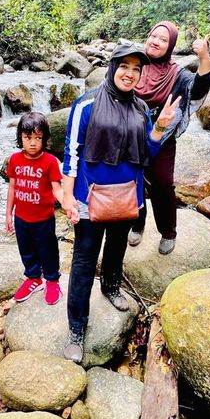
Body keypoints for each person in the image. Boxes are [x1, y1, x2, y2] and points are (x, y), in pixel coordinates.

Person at [61, 43, 181, 362]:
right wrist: (67, 196)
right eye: (124, 66)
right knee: (85, 262)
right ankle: (76, 328)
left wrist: (160, 127)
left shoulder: (141, 109)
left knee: (115, 249)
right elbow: (71, 153)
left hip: (127, 195)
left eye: (136, 68)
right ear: (112, 67)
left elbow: (147, 153)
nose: (130, 73)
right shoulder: (86, 104)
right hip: (89, 197)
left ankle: (111, 287)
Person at [129, 21, 210, 255]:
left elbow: (198, 88)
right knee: (133, 180)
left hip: (163, 137)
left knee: (162, 182)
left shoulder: (177, 74)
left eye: (163, 40)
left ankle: (168, 231)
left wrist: (204, 58)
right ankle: (137, 222)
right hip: (130, 135)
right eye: (153, 36)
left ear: (171, 46)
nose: (155, 41)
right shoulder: (134, 64)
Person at [5, 111, 64, 306]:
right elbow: (12, 187)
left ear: (44, 139)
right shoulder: (14, 160)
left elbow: (57, 189)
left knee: (47, 250)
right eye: (27, 137)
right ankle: (33, 278)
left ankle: (52, 280)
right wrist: (8, 214)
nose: (32, 143)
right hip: (21, 218)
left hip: (44, 219)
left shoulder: (50, 162)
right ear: (20, 137)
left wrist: (68, 206)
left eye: (37, 138)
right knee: (26, 250)